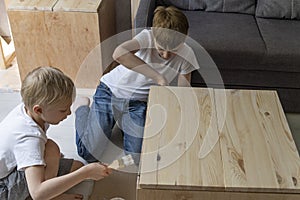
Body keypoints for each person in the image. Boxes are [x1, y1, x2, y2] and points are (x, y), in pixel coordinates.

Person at [74, 6, 200, 164]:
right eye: (161, 49)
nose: (166, 55)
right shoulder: (147, 37)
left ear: (185, 38)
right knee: (87, 153)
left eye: (173, 50)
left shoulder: (187, 54)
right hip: (110, 91)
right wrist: (158, 77)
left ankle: (122, 123)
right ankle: (81, 108)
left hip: (138, 103)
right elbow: (118, 53)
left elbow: (183, 91)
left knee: (136, 158)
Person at [0, 66, 112, 200]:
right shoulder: (28, 139)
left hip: (12, 168)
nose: (69, 113)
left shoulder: (30, 110)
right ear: (39, 110)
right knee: (65, 160)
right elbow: (37, 193)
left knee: (76, 165)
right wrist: (86, 173)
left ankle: (50, 190)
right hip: (4, 188)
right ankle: (51, 196)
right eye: (63, 110)